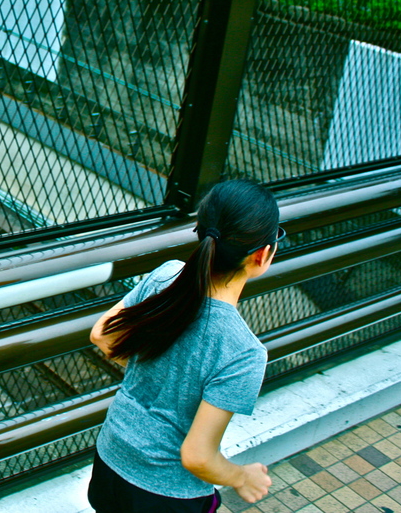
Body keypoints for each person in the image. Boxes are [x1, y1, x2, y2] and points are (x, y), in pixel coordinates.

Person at [88, 179, 284, 513]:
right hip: (165, 495)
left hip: (110, 459)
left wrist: (157, 373)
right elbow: (197, 456)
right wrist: (242, 477)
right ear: (262, 254)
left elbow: (102, 335)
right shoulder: (245, 353)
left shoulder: (166, 276)